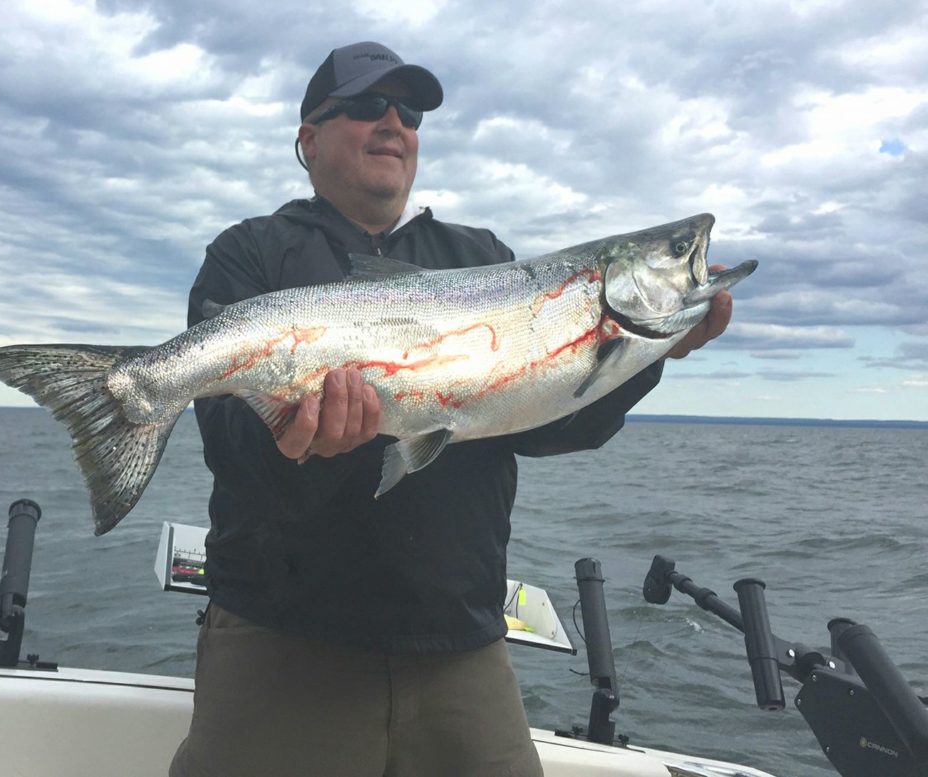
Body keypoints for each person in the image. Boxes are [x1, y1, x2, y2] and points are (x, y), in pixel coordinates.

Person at [169, 41, 732, 777]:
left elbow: (554, 419)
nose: (393, 124)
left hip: (461, 648)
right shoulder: (251, 255)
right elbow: (234, 451)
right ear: (307, 139)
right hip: (281, 642)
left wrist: (644, 356)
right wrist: (306, 445)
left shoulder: (481, 257)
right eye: (368, 106)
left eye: (409, 112)